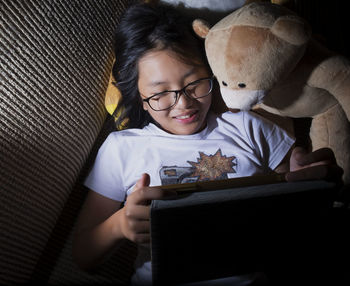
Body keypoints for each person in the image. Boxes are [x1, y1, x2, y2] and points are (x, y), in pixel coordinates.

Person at [72, 2, 343, 285]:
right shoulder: (121, 148)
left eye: (195, 83)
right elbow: (83, 257)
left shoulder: (249, 127)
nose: (184, 104)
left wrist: (309, 185)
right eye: (161, 93)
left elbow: (303, 215)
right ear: (140, 97)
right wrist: (119, 225)